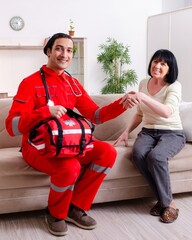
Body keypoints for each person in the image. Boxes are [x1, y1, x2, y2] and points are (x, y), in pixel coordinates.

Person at [5, 33, 138, 236]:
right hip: (37, 147)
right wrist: (44, 112)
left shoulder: (72, 84)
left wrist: (122, 104)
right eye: (59, 48)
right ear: (48, 51)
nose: (64, 54)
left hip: (70, 143)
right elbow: (12, 127)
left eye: (69, 50)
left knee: (107, 152)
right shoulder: (30, 83)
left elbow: (96, 115)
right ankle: (55, 214)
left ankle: (76, 207)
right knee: (71, 166)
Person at [114, 49, 186, 223]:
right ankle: (164, 201)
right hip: (148, 131)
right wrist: (126, 131)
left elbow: (167, 112)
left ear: (170, 68)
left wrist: (143, 97)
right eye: (155, 61)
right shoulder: (144, 83)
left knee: (156, 157)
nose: (157, 66)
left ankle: (169, 204)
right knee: (138, 155)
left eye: (163, 63)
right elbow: (139, 113)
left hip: (172, 133)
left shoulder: (174, 86)